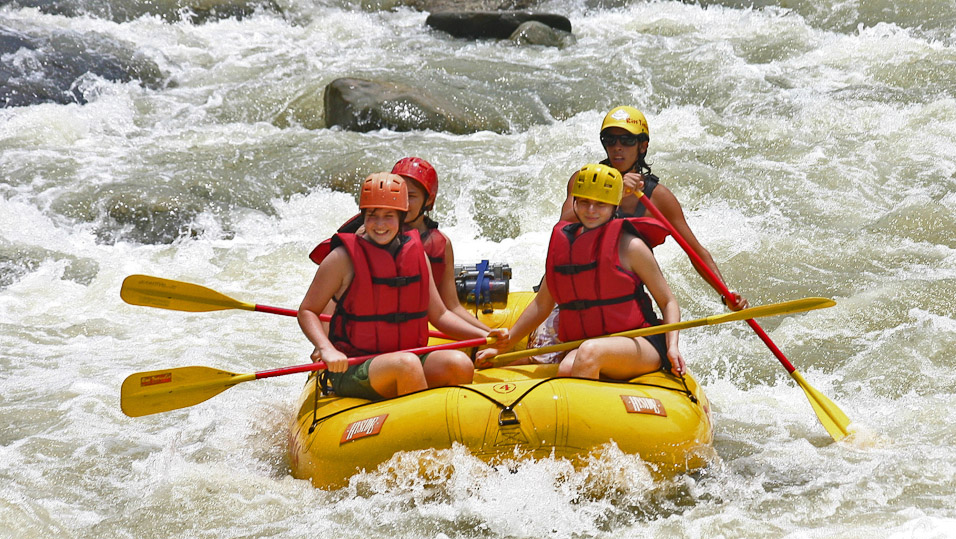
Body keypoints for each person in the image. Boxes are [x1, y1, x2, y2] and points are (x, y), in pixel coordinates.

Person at [299, 172, 505, 400]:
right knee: (406, 365)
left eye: (388, 216)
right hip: (353, 366)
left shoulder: (417, 255)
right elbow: (308, 310)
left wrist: (486, 335)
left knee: (459, 364)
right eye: (372, 215)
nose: (379, 224)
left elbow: (441, 314)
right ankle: (422, 429)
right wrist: (325, 347)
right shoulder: (342, 259)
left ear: (401, 217)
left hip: (406, 357)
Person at [477, 164, 684, 380]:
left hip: (639, 341)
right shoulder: (565, 245)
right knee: (569, 366)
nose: (591, 210)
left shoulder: (630, 247)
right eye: (584, 202)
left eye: (601, 204)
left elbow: (667, 301)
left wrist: (672, 346)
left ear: (615, 206)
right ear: (574, 202)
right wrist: (502, 346)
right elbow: (541, 305)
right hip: (588, 345)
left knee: (589, 353)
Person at [561, 106, 749, 311]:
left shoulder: (659, 198)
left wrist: (725, 293)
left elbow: (695, 252)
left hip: (622, 298)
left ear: (642, 146)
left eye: (627, 140)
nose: (617, 147)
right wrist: (612, 192)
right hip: (575, 287)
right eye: (610, 140)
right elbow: (563, 227)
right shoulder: (583, 180)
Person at [314, 157, 490, 331]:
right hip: (371, 326)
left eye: (411, 196)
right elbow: (336, 297)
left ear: (428, 200)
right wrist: (324, 342)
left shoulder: (441, 244)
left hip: (421, 320)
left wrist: (490, 335)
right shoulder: (370, 234)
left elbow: (451, 306)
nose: (403, 203)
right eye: (398, 195)